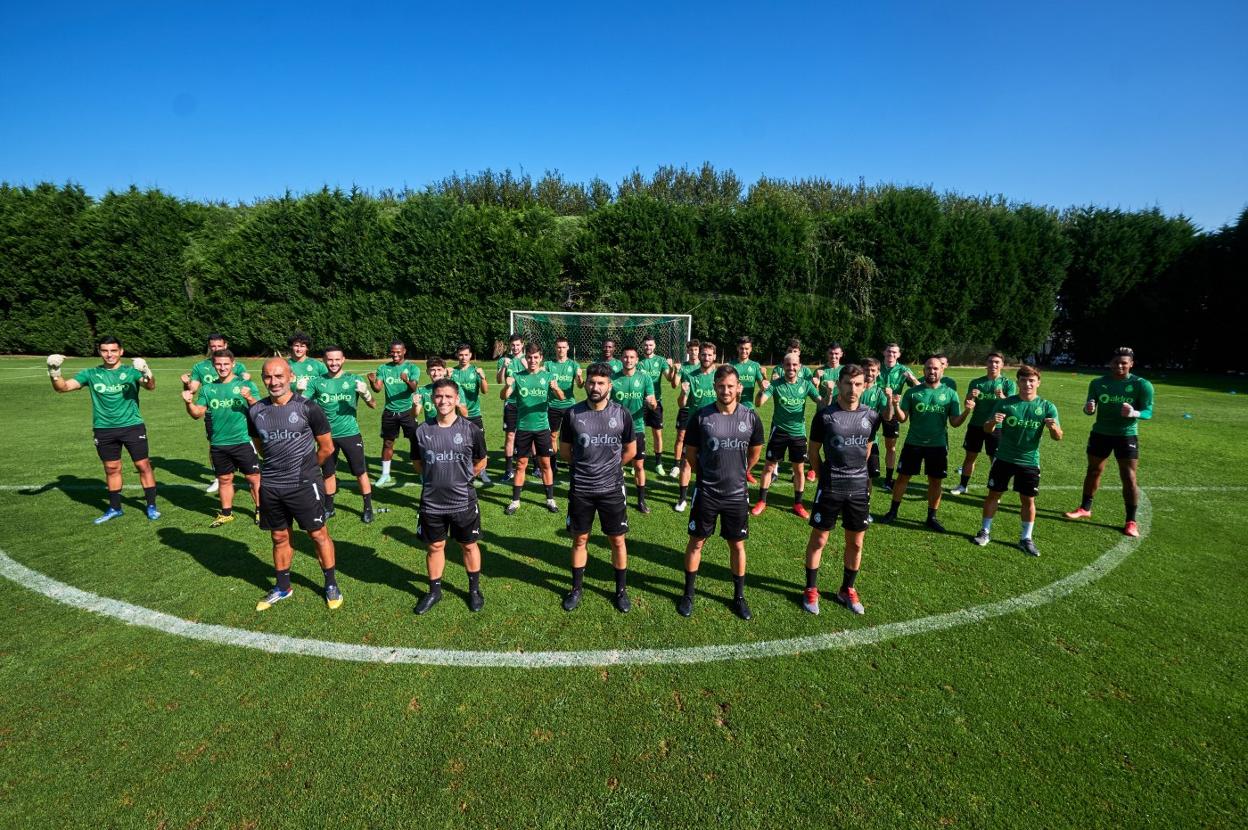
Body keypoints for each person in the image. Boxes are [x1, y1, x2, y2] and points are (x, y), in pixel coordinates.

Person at [244, 357, 341, 611]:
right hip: (272, 485)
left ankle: (330, 583)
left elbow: (327, 447)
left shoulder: (308, 408)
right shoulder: (255, 411)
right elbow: (259, 446)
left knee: (318, 534)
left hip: (303, 483)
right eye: (268, 377)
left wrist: (307, 468)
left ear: (291, 377)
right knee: (278, 536)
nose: (273, 382)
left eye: (279, 376)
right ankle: (283, 587)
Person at [802, 365, 891, 615]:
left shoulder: (871, 416)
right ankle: (811, 589)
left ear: (865, 386)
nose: (853, 389)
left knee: (856, 543)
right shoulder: (825, 416)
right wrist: (823, 477)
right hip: (831, 486)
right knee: (819, 539)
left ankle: (847, 589)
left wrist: (857, 473)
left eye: (858, 384)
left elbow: (868, 448)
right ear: (839, 384)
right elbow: (813, 451)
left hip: (859, 488)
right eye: (848, 384)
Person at [677, 365, 765, 620]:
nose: (725, 391)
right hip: (707, 492)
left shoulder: (750, 417)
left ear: (739, 387)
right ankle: (688, 593)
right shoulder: (701, 417)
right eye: (720, 386)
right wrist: (706, 474)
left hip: (737, 493)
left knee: (737, 545)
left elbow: (755, 452)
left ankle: (738, 596)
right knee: (696, 542)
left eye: (730, 386)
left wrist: (739, 472)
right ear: (714, 387)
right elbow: (691, 454)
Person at [47, 337, 160, 523]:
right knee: (111, 467)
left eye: (113, 351)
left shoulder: (131, 372)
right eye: (105, 351)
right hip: (103, 428)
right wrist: (54, 371)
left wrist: (147, 371)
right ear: (100, 352)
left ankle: (151, 506)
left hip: (132, 426)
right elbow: (63, 388)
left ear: (121, 351)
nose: (109, 355)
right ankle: (115, 508)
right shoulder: (91, 373)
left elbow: (150, 386)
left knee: (143, 465)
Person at [559, 363, 638, 613]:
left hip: (612, 488)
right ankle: (576, 589)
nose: (595, 387)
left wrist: (611, 467)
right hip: (581, 488)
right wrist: (586, 467)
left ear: (609, 386)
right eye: (592, 382)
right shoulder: (572, 414)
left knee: (617, 540)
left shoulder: (622, 414)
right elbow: (565, 451)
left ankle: (621, 590)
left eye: (601, 383)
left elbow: (631, 450)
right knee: (580, 539)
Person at [412, 378, 489, 615]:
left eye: (448, 397)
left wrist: (463, 478)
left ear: (457, 400)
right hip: (432, 501)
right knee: (435, 546)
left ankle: (474, 590)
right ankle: (434, 591)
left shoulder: (471, 430)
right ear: (432, 399)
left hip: (462, 500)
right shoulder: (422, 431)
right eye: (438, 396)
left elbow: (482, 460)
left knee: (468, 545)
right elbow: (417, 463)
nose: (443, 401)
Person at [1064, 347, 1155, 537]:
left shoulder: (1142, 384)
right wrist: (1089, 408)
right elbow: (1089, 408)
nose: (1120, 366)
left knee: (1128, 477)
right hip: (1101, 433)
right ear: (1110, 363)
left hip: (1126, 435)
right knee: (1093, 470)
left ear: (1131, 364)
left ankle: (1131, 521)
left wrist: (1134, 413)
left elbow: (1148, 411)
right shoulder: (1098, 383)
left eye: (1124, 363)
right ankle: (1085, 508)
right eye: (1116, 362)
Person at [972, 365, 1062, 556]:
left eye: (1031, 380)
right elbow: (987, 430)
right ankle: (985, 531)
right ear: (1018, 382)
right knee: (993, 495)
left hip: (1029, 461)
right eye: (1023, 380)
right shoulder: (1005, 404)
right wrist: (992, 422)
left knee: (1028, 500)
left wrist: (1054, 429)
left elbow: (1058, 437)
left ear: (1038, 382)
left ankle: (1026, 538)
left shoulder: (1046, 406)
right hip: (1003, 458)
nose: (1027, 384)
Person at [877, 355, 972, 532]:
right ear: (924, 371)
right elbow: (902, 419)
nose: (932, 371)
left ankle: (931, 517)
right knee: (902, 478)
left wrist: (967, 411)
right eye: (929, 368)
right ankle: (893, 511)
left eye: (936, 368)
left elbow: (955, 422)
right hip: (913, 443)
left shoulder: (950, 394)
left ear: (942, 370)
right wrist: (896, 406)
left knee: (935, 482)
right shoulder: (913, 392)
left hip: (937, 445)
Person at [181, 349, 262, 527]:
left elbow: (260, 411)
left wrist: (249, 397)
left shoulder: (245, 385)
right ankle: (226, 513)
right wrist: (188, 403)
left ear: (233, 364)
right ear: (213, 365)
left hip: (243, 441)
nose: (222, 367)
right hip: (218, 443)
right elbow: (197, 414)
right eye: (218, 364)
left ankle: (260, 510)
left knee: (253, 478)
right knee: (225, 479)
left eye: (226, 364)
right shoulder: (208, 388)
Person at [300, 346, 377, 523]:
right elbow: (300, 406)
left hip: (350, 433)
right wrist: (298, 391)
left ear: (343, 360)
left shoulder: (353, 379)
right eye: (330, 360)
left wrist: (365, 393)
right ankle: (329, 508)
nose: (333, 363)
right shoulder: (316, 382)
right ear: (324, 361)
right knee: (328, 472)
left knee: (360, 472)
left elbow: (373, 404)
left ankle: (367, 508)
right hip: (325, 435)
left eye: (337, 359)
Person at [751, 352, 821, 518]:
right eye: (788, 365)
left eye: (795, 365)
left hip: (798, 434)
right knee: (769, 467)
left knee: (798, 469)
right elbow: (759, 403)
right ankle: (762, 501)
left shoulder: (806, 384)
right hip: (779, 432)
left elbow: (822, 402)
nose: (791, 368)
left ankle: (798, 504)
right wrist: (762, 390)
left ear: (800, 366)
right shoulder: (776, 385)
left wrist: (830, 392)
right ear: (783, 366)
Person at [183, 333, 251, 494]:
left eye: (219, 346)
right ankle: (218, 477)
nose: (215, 349)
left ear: (225, 346)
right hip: (213, 411)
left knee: (244, 442)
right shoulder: (200, 367)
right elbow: (192, 389)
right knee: (214, 444)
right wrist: (185, 385)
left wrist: (246, 378)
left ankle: (247, 473)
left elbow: (245, 382)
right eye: (212, 346)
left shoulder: (238, 365)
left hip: (235, 410)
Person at [500, 343, 565, 515]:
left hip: (543, 428)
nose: (532, 360)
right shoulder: (518, 376)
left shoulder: (548, 376)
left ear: (541, 358)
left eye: (536, 357)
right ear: (525, 358)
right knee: (521, 464)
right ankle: (515, 501)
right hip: (523, 428)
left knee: (545, 464)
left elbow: (561, 397)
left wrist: (556, 387)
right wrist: (507, 386)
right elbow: (503, 397)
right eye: (529, 357)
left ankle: (550, 499)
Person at [951, 352, 1017, 495]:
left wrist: (1003, 398)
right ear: (986, 364)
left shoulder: (1008, 383)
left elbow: (1013, 407)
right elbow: (967, 403)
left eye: (997, 362)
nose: (993, 364)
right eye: (991, 362)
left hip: (997, 427)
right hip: (976, 425)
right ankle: (963, 486)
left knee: (995, 460)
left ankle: (995, 491)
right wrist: (971, 397)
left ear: (1002, 365)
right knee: (970, 456)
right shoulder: (976, 382)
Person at [674, 341, 719, 512]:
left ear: (714, 356)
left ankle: (709, 495)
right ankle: (682, 499)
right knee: (686, 462)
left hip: (715, 425)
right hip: (695, 426)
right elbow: (681, 403)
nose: (706, 357)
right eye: (703, 354)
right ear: (699, 356)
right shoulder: (691, 376)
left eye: (709, 355)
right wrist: (684, 393)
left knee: (714, 461)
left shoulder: (719, 376)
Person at [612, 346, 658, 514]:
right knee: (615, 464)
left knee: (639, 465)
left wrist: (651, 403)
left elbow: (653, 405)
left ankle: (641, 500)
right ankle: (617, 497)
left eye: (632, 357)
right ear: (621, 358)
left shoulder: (645, 378)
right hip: (616, 428)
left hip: (637, 427)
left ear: (637, 360)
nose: (628, 360)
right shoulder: (613, 379)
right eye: (625, 357)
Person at [369, 340, 420, 488]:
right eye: (393, 352)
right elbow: (378, 389)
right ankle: (385, 474)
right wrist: (373, 382)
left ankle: (422, 473)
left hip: (408, 412)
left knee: (415, 442)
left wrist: (406, 380)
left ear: (404, 351)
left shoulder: (412, 367)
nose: (395, 355)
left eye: (398, 352)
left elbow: (413, 388)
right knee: (388, 442)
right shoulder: (383, 368)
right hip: (390, 412)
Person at [878, 342, 919, 489]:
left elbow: (920, 388)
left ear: (899, 355)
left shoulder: (903, 370)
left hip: (893, 412)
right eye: (889, 351)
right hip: (873, 409)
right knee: (866, 442)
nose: (891, 354)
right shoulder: (876, 367)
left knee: (891, 446)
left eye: (895, 352)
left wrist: (912, 378)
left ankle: (888, 479)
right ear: (884, 352)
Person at [451, 343, 491, 485]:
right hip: (457, 415)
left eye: (466, 355)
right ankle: (463, 469)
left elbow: (485, 391)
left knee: (480, 443)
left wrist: (483, 378)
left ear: (470, 355)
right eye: (461, 355)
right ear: (457, 355)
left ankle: (483, 471)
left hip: (474, 414)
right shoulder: (452, 372)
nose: (463, 358)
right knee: (460, 443)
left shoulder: (476, 370)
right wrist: (447, 376)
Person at [545, 336, 582, 479]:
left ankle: (572, 463)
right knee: (553, 435)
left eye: (563, 347)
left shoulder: (573, 365)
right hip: (553, 406)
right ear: (555, 348)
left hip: (569, 406)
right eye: (558, 347)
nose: (561, 350)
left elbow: (579, 385)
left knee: (572, 436)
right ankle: (553, 464)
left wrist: (579, 377)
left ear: (568, 348)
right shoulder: (548, 365)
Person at [638, 335, 674, 477]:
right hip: (640, 402)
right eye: (646, 345)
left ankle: (659, 463)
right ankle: (638, 460)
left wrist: (671, 368)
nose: (648, 347)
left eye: (651, 345)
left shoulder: (661, 361)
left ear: (655, 346)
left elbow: (669, 378)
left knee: (657, 433)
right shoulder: (639, 362)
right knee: (639, 433)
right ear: (643, 346)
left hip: (656, 401)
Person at [667, 339, 701, 480]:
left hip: (701, 408)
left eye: (696, 350)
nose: (693, 352)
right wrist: (675, 370)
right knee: (681, 437)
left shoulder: (704, 366)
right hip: (686, 407)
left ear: (699, 351)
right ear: (687, 351)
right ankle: (676, 464)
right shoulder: (684, 367)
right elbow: (674, 384)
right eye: (691, 350)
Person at [496, 333, 526, 481]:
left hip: (526, 403)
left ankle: (537, 468)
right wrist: (503, 367)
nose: (515, 348)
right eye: (513, 345)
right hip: (511, 403)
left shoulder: (529, 359)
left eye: (518, 345)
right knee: (510, 436)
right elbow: (498, 379)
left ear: (522, 345)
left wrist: (525, 364)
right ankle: (509, 470)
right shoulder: (504, 360)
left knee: (530, 434)